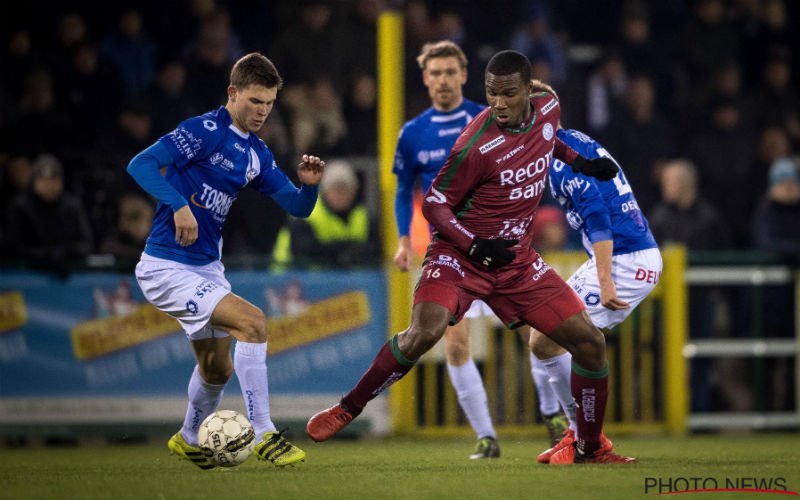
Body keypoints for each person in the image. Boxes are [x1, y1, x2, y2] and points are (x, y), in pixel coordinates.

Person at [307, 50, 634, 465]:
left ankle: (589, 448)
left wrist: (583, 163)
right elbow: (435, 205)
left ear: (529, 92)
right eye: (491, 93)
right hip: (460, 257)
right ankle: (347, 408)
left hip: (516, 262)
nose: (498, 103)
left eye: (508, 94)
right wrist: (475, 245)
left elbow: (549, 142)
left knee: (590, 343)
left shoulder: (549, 107)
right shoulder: (475, 144)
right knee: (423, 333)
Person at [127, 52, 324, 469]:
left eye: (270, 103)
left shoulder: (256, 152)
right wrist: (178, 203)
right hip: (166, 265)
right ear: (233, 93)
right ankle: (266, 432)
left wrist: (308, 188)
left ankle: (186, 437)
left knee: (217, 369)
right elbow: (140, 164)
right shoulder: (203, 130)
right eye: (255, 101)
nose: (263, 112)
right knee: (253, 322)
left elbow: (295, 204)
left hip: (205, 270)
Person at [390, 40, 566, 459]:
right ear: (425, 79)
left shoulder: (490, 115)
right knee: (455, 345)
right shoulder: (412, 133)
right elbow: (403, 190)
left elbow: (539, 148)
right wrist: (402, 240)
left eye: (451, 72)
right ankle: (486, 437)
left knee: (537, 334)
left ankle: (551, 413)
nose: (444, 80)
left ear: (465, 76)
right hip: (454, 254)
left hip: (502, 248)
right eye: (435, 73)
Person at [531, 128, 662, 464]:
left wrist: (605, 281)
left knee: (552, 339)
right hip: (625, 255)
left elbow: (598, 215)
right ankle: (582, 436)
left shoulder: (561, 161)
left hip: (624, 261)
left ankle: (587, 441)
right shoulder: (574, 143)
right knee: (544, 340)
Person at [271, 159, 380, 269]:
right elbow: (304, 249)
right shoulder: (306, 215)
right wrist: (345, 248)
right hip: (294, 280)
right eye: (335, 189)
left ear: (354, 191)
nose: (340, 195)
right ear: (324, 191)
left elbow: (377, 247)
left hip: (351, 282)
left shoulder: (364, 216)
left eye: (345, 189)